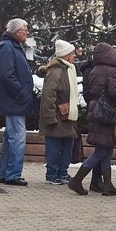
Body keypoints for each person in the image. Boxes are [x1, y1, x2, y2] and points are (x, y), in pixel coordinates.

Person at [69, 42, 116, 196]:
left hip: (96, 109)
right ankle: (77, 180)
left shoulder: (94, 70)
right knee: (101, 150)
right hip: (106, 111)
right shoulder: (111, 71)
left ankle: (108, 185)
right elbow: (114, 92)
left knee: (106, 149)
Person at [0, 18, 35, 186]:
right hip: (14, 102)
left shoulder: (11, 46)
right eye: (25, 29)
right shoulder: (8, 47)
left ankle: (6, 173)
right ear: (17, 32)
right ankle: (13, 175)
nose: (27, 32)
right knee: (17, 139)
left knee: (11, 138)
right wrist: (21, 92)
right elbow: (7, 75)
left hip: (15, 101)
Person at [40, 39, 81, 185]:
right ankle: (52, 174)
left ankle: (62, 173)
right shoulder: (56, 72)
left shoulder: (68, 70)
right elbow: (48, 96)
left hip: (67, 117)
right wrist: (50, 117)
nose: (75, 56)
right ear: (65, 55)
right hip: (57, 117)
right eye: (72, 53)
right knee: (54, 147)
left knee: (67, 146)